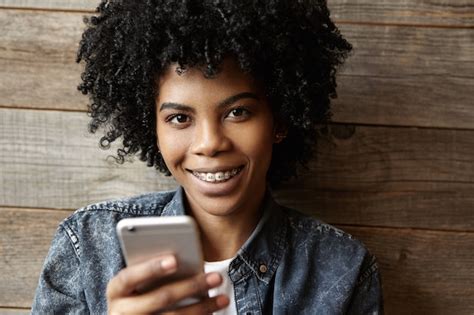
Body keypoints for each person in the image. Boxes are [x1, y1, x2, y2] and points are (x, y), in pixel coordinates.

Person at [32, 0, 383, 314]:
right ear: (150, 126)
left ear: (280, 120)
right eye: (180, 118)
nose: (210, 143)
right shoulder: (87, 248)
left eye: (238, 112)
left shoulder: (343, 271)